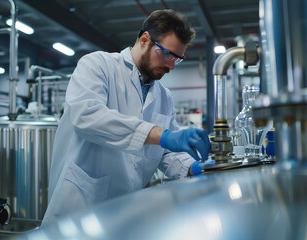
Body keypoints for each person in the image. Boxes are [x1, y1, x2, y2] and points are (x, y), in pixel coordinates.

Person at [42, 9, 212, 226]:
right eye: (167, 54)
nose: (170, 66)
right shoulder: (97, 65)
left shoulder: (164, 97)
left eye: (177, 59)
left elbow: (165, 151)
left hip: (126, 213)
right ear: (144, 40)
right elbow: (87, 117)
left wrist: (192, 167)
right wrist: (162, 135)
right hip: (80, 209)